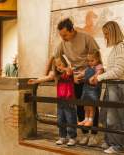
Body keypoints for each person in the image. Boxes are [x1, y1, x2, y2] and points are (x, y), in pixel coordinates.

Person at [46, 18, 100, 146]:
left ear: (72, 30)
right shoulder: (63, 43)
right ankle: (85, 134)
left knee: (91, 106)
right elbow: (54, 57)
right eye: (61, 35)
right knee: (79, 106)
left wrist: (90, 74)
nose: (63, 38)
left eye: (64, 35)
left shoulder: (86, 38)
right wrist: (47, 73)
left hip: (89, 76)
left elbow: (97, 57)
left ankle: (94, 135)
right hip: (75, 78)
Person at [90, 21, 124, 154]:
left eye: (107, 34)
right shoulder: (115, 49)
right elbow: (113, 69)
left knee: (114, 117)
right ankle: (109, 141)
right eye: (104, 34)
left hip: (118, 85)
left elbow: (118, 71)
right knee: (104, 115)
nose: (105, 37)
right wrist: (101, 73)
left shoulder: (122, 48)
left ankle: (118, 146)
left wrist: (99, 77)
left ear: (113, 33)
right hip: (111, 85)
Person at [28, 56, 77, 146]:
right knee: (60, 119)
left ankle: (72, 137)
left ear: (65, 63)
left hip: (69, 101)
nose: (59, 67)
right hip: (60, 101)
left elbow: (69, 70)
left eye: (60, 64)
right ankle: (62, 136)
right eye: (56, 66)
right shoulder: (56, 75)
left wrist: (64, 67)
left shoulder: (68, 72)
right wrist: (35, 81)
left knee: (70, 119)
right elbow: (46, 78)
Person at [77, 50, 103, 127]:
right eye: (88, 61)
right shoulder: (88, 67)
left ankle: (91, 120)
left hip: (93, 89)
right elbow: (83, 73)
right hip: (86, 88)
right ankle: (86, 119)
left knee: (91, 106)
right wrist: (77, 76)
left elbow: (99, 72)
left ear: (98, 59)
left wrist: (94, 76)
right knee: (85, 105)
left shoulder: (99, 67)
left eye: (92, 60)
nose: (90, 62)